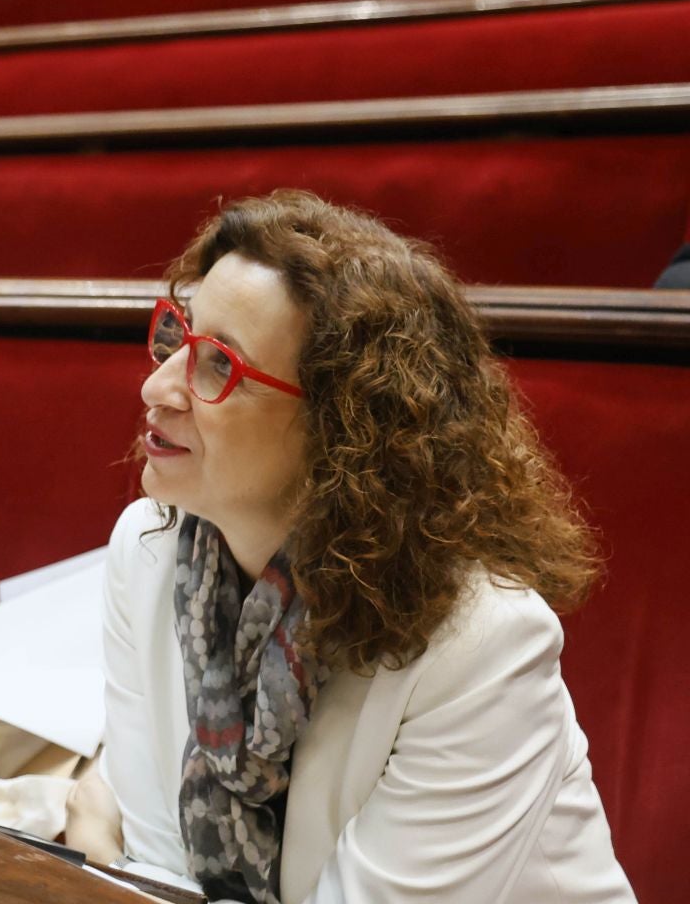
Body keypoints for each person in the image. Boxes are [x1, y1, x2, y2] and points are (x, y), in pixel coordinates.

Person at [68, 190, 632, 903]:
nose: (156, 386)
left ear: (343, 433)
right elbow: (155, 872)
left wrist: (94, 841)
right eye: (177, 337)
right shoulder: (146, 550)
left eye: (219, 366)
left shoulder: (483, 647)